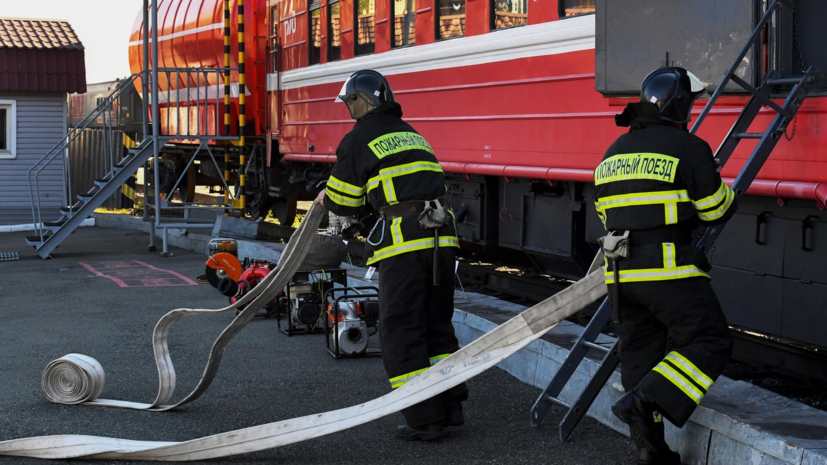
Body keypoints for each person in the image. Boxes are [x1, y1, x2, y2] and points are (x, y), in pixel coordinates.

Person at [593, 67, 737, 464]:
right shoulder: (688, 147)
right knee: (709, 341)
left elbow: (604, 213)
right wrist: (725, 191)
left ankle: (650, 451)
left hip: (619, 273)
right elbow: (714, 210)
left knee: (640, 354)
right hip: (668, 270)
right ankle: (646, 398)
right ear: (681, 106)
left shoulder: (612, 153)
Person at [316, 69, 466, 441]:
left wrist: (325, 195)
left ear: (361, 101)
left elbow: (343, 202)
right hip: (442, 240)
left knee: (401, 328)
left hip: (404, 245)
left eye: (350, 102)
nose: (349, 109)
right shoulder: (411, 133)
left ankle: (424, 420)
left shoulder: (358, 138)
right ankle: (450, 408)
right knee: (437, 325)